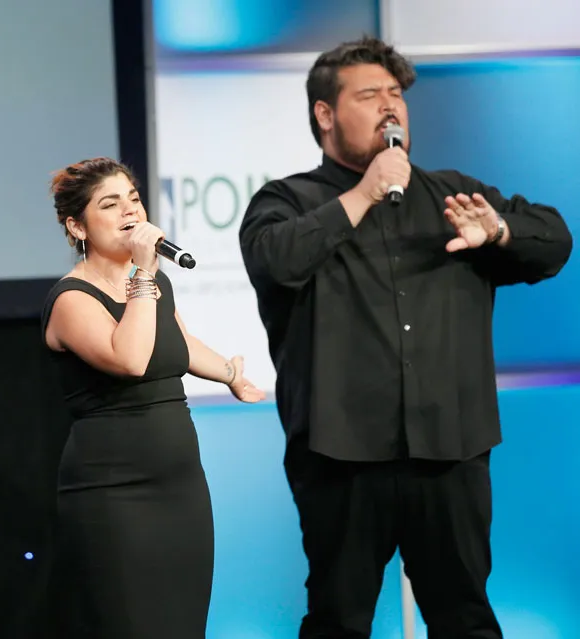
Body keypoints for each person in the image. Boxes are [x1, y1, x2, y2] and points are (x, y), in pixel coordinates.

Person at [239, 36, 572, 638]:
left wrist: (497, 231)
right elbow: (274, 261)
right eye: (369, 95)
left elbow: (553, 239)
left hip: (450, 447)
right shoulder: (287, 201)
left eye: (395, 94)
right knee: (338, 622)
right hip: (341, 454)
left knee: (465, 618)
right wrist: (365, 193)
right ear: (325, 114)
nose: (390, 106)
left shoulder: (454, 196)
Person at [41, 157, 265, 638]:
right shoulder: (71, 299)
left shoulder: (153, 284)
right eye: (110, 204)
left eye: (134, 199)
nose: (130, 211)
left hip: (180, 488)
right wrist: (143, 272)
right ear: (77, 226)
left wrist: (229, 373)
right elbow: (131, 358)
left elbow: (177, 344)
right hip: (114, 494)